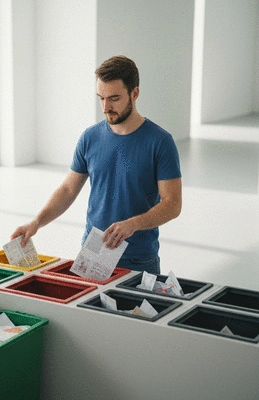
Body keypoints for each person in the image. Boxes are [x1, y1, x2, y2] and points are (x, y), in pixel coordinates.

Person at [11, 55, 182, 274]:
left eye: (114, 98)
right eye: (101, 98)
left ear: (135, 93)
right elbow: (68, 189)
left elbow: (172, 204)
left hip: (139, 260)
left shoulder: (160, 142)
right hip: (92, 255)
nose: (106, 107)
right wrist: (36, 223)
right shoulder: (89, 137)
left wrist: (133, 224)